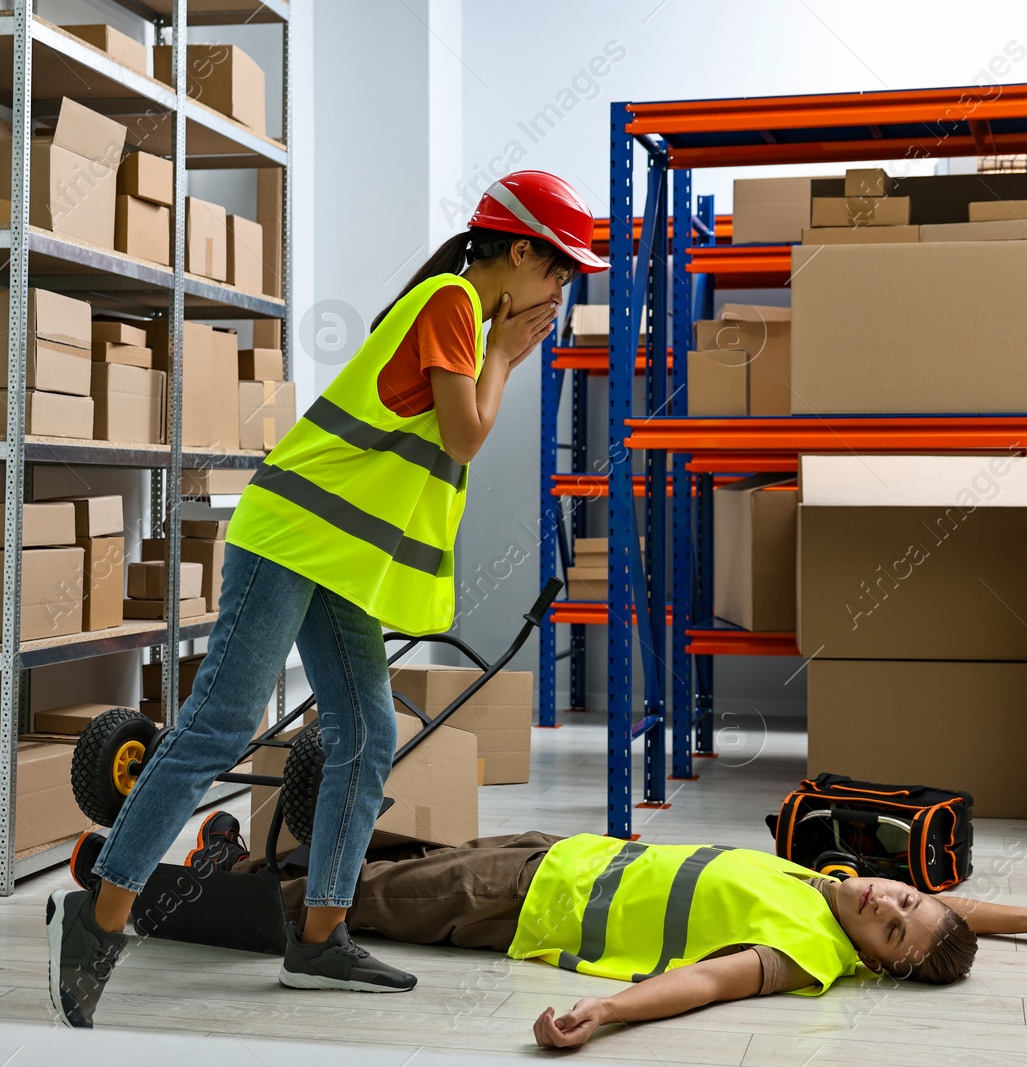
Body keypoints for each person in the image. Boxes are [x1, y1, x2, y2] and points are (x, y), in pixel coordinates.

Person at [45, 171, 610, 1029]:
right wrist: (504, 356)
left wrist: (498, 351)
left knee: (369, 731)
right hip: (293, 536)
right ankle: (101, 918)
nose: (563, 288)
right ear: (521, 248)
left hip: (334, 554)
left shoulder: (454, 307)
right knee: (220, 727)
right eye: (561, 268)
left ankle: (319, 938)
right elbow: (465, 434)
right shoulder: (457, 306)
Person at [270, 831, 1027, 1050]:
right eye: (906, 895)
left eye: (891, 924)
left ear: (878, 963)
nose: (888, 896)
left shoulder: (809, 951)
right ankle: (240, 865)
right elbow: (947, 917)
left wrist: (605, 1010)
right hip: (561, 853)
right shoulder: (833, 888)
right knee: (395, 854)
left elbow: (707, 985)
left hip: (526, 906)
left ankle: (215, 897)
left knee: (366, 899)